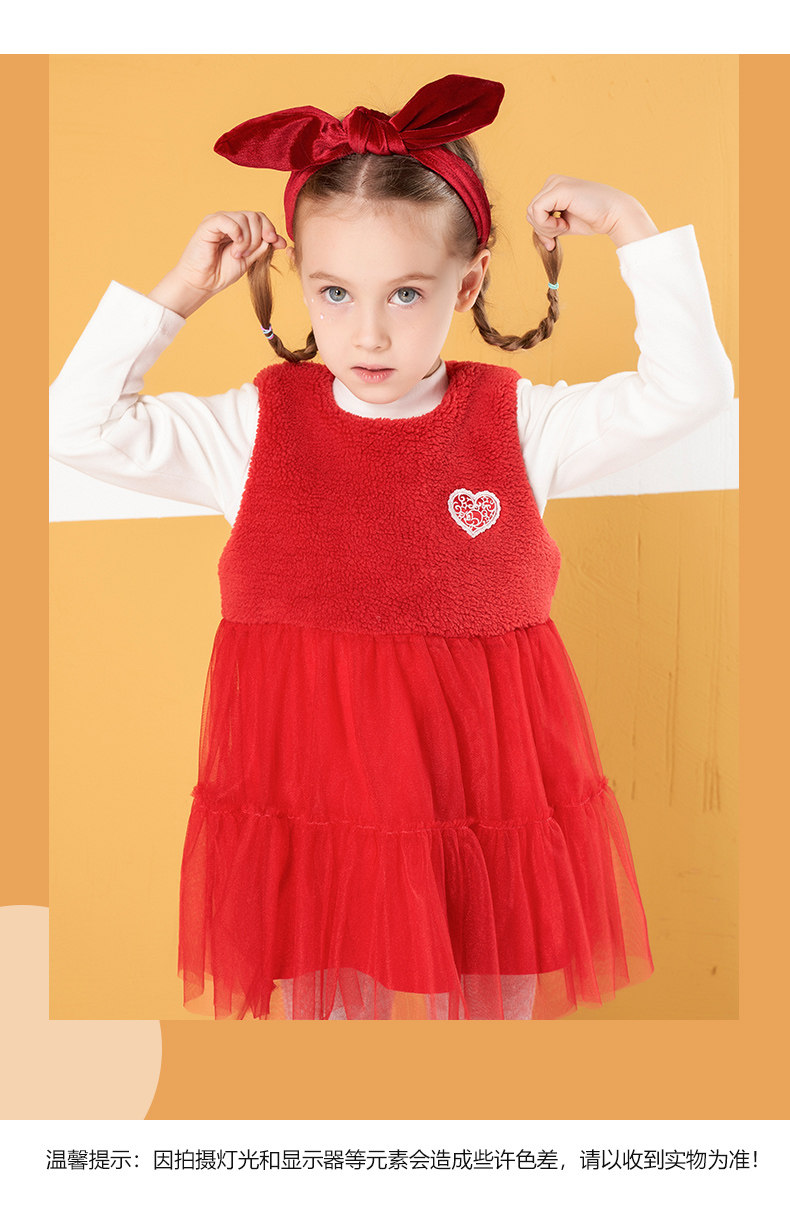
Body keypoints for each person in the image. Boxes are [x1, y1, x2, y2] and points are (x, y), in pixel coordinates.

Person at [49, 74, 735, 1022]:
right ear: (302, 281)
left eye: (406, 294)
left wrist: (632, 228)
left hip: (481, 814)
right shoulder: (253, 429)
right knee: (338, 1034)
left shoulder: (518, 423)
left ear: (469, 283)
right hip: (320, 819)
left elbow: (688, 391)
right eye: (335, 292)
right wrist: (179, 293)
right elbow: (75, 425)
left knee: (483, 1029)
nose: (367, 333)